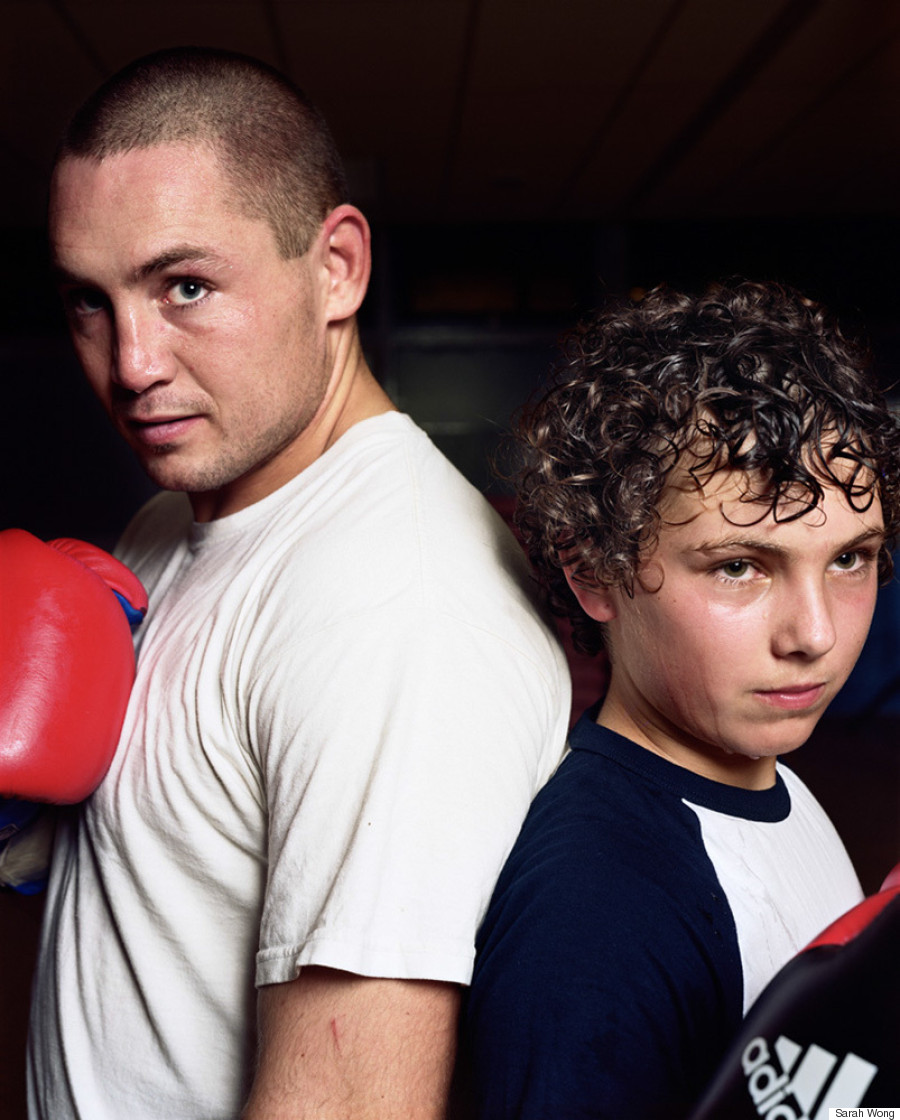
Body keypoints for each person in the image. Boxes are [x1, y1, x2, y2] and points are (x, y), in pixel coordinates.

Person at [29, 47, 571, 1120]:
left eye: (185, 287)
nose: (131, 362)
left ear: (338, 268)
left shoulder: (400, 609)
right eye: (91, 303)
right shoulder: (167, 518)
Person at [455, 281, 900, 1119]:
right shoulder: (598, 916)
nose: (813, 634)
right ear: (595, 572)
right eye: (740, 566)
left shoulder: (769, 785)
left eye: (850, 559)